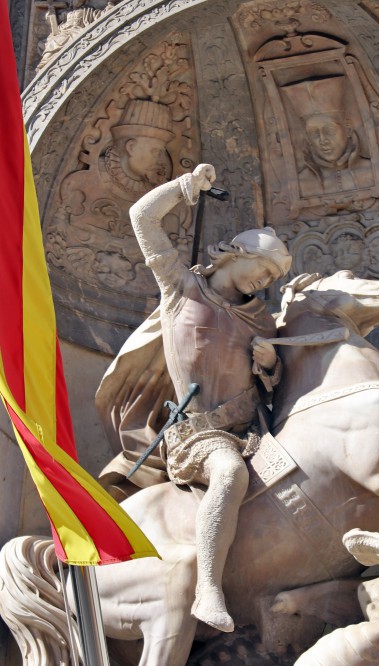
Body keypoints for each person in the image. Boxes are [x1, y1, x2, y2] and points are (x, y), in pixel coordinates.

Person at [129, 163, 292, 632]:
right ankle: (207, 589)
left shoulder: (263, 321)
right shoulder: (181, 288)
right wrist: (185, 188)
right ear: (234, 253)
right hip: (199, 435)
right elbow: (143, 217)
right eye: (260, 269)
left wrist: (270, 366)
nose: (263, 282)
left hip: (254, 431)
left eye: (270, 278)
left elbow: (275, 388)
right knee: (228, 472)